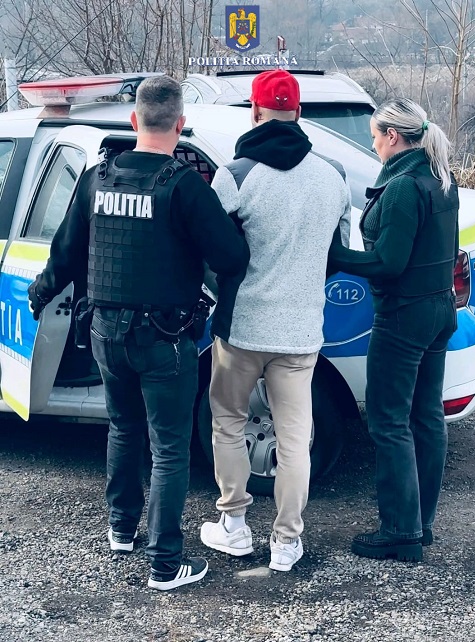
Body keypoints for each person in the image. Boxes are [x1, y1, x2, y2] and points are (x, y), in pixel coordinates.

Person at [27, 76, 250, 590]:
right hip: (164, 340)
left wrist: (38, 294)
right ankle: (165, 564)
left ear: (134, 120)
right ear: (180, 124)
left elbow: (65, 254)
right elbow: (231, 257)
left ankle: (122, 530)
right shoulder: (184, 187)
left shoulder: (96, 178)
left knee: (123, 429)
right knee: (168, 449)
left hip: (105, 333)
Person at [199, 69, 351, 571]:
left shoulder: (235, 175)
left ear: (255, 112)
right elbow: (336, 252)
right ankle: (287, 541)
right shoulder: (333, 176)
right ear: (298, 113)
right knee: (294, 439)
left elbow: (212, 249)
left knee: (228, 423)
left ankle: (234, 524)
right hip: (301, 332)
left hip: (241, 328)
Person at [328, 98, 459, 562]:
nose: (373, 145)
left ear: (393, 136)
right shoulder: (440, 177)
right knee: (426, 416)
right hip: (439, 310)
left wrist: (334, 254)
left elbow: (388, 262)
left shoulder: (403, 187)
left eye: (375, 136)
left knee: (388, 420)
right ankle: (420, 524)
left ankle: (400, 531)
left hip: (403, 316)